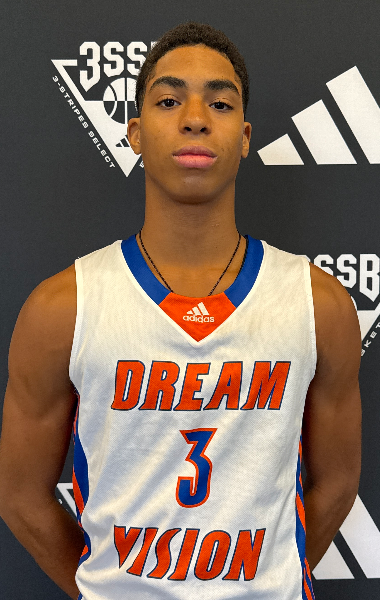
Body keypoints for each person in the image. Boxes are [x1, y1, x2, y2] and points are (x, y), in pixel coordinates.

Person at [0, 21, 361, 600]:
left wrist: (271, 582)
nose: (195, 118)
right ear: (135, 133)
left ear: (244, 137)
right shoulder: (63, 307)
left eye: (220, 103)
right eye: (169, 101)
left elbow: (339, 481)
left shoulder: (318, 303)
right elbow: (20, 495)